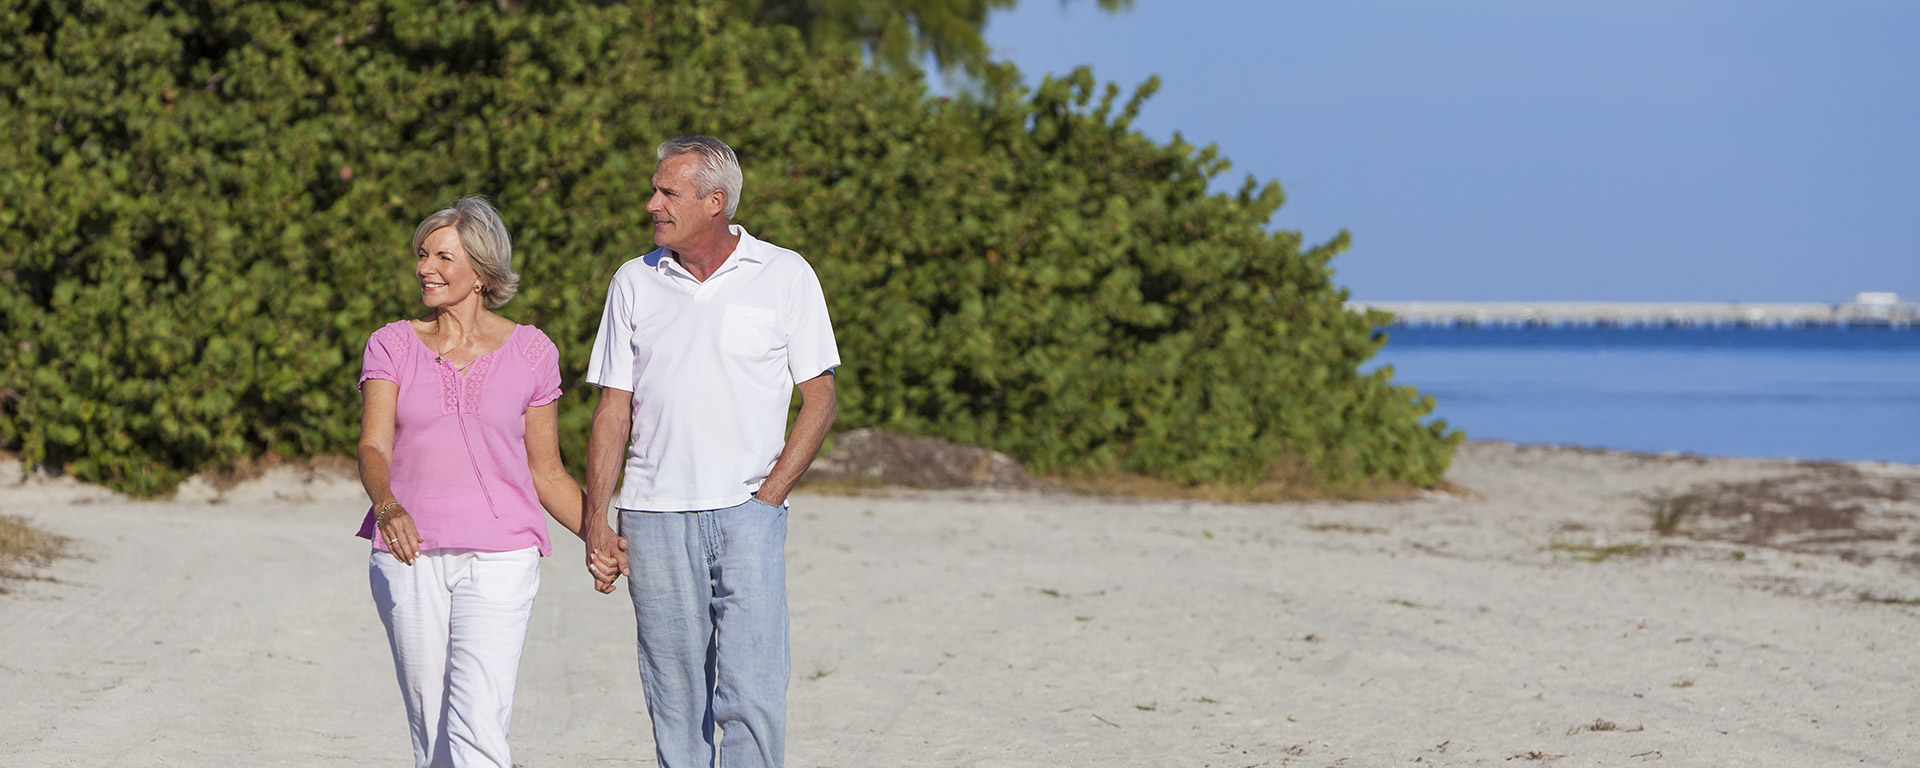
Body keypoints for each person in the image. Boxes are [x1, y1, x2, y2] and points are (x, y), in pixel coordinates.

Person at [582, 136, 840, 768]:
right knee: (674, 699)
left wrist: (768, 497)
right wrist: (596, 520)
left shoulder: (786, 274)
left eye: (668, 192)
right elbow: (613, 410)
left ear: (715, 202)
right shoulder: (633, 280)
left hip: (747, 514)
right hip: (652, 516)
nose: (652, 204)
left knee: (751, 694)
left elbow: (821, 399)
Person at [356, 196, 622, 768]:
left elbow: (546, 471)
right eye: (423, 254)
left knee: (478, 719)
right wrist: (387, 505)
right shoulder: (393, 343)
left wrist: (597, 535)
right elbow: (373, 445)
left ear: (481, 271)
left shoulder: (532, 351)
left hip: (504, 555)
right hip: (409, 553)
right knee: (431, 730)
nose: (426, 267)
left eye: (443, 256)